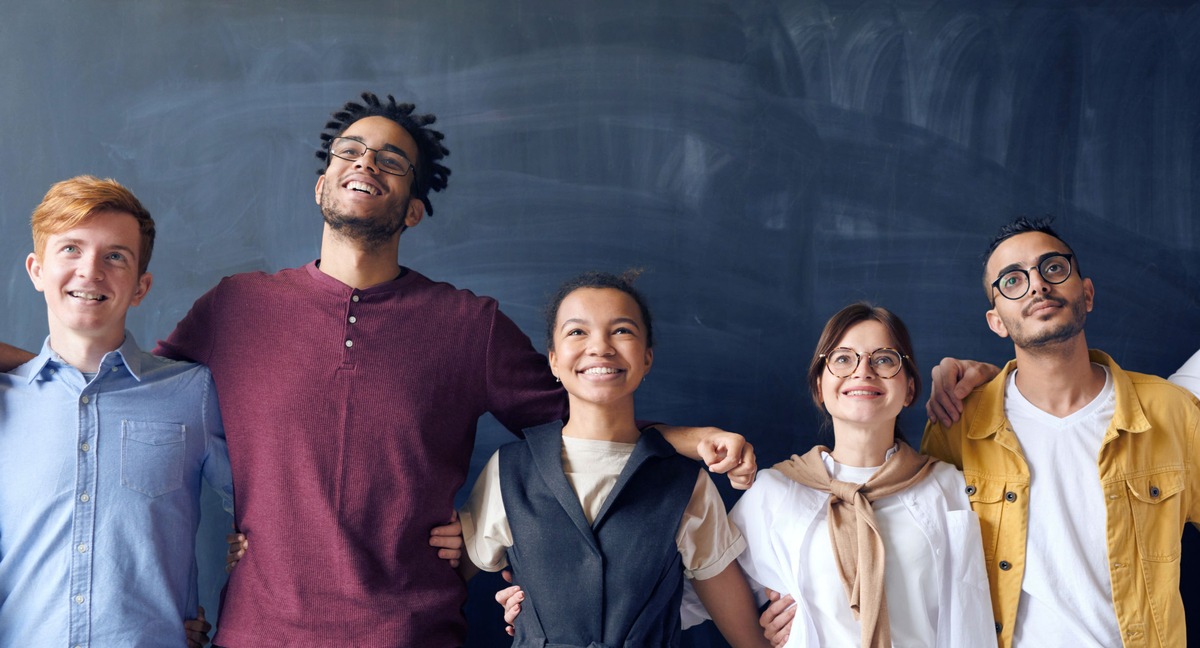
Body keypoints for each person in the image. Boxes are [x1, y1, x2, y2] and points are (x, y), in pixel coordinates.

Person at [0, 93, 755, 646]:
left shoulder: (469, 325)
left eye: (392, 161)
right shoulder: (236, 308)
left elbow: (582, 428)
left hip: (412, 632)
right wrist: (22, 369)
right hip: (259, 632)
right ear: (321, 185)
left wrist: (686, 438)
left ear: (413, 209)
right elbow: (118, 391)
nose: (366, 163)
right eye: (350, 153)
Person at [917, 217, 1200, 647]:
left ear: (1086, 293)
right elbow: (917, 562)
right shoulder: (959, 424)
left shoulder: (1172, 412)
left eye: (1052, 268)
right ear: (996, 320)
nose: (1036, 286)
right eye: (1013, 280)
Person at [457, 271, 767, 647]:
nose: (600, 347)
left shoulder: (684, 482)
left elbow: (747, 637)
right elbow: (441, 587)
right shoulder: (510, 471)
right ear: (553, 360)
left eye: (622, 331)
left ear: (648, 357)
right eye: (577, 332)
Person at [0, 176, 233, 647]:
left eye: (115, 256)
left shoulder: (193, 394)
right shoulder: (5, 399)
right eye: (70, 249)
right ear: (36, 270)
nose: (90, 271)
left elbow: (279, 506)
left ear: (141, 285)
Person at [719, 303, 993, 647]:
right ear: (820, 387)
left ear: (909, 389)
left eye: (884, 359)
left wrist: (994, 383)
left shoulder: (950, 488)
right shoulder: (776, 491)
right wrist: (756, 632)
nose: (863, 371)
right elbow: (700, 587)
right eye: (843, 359)